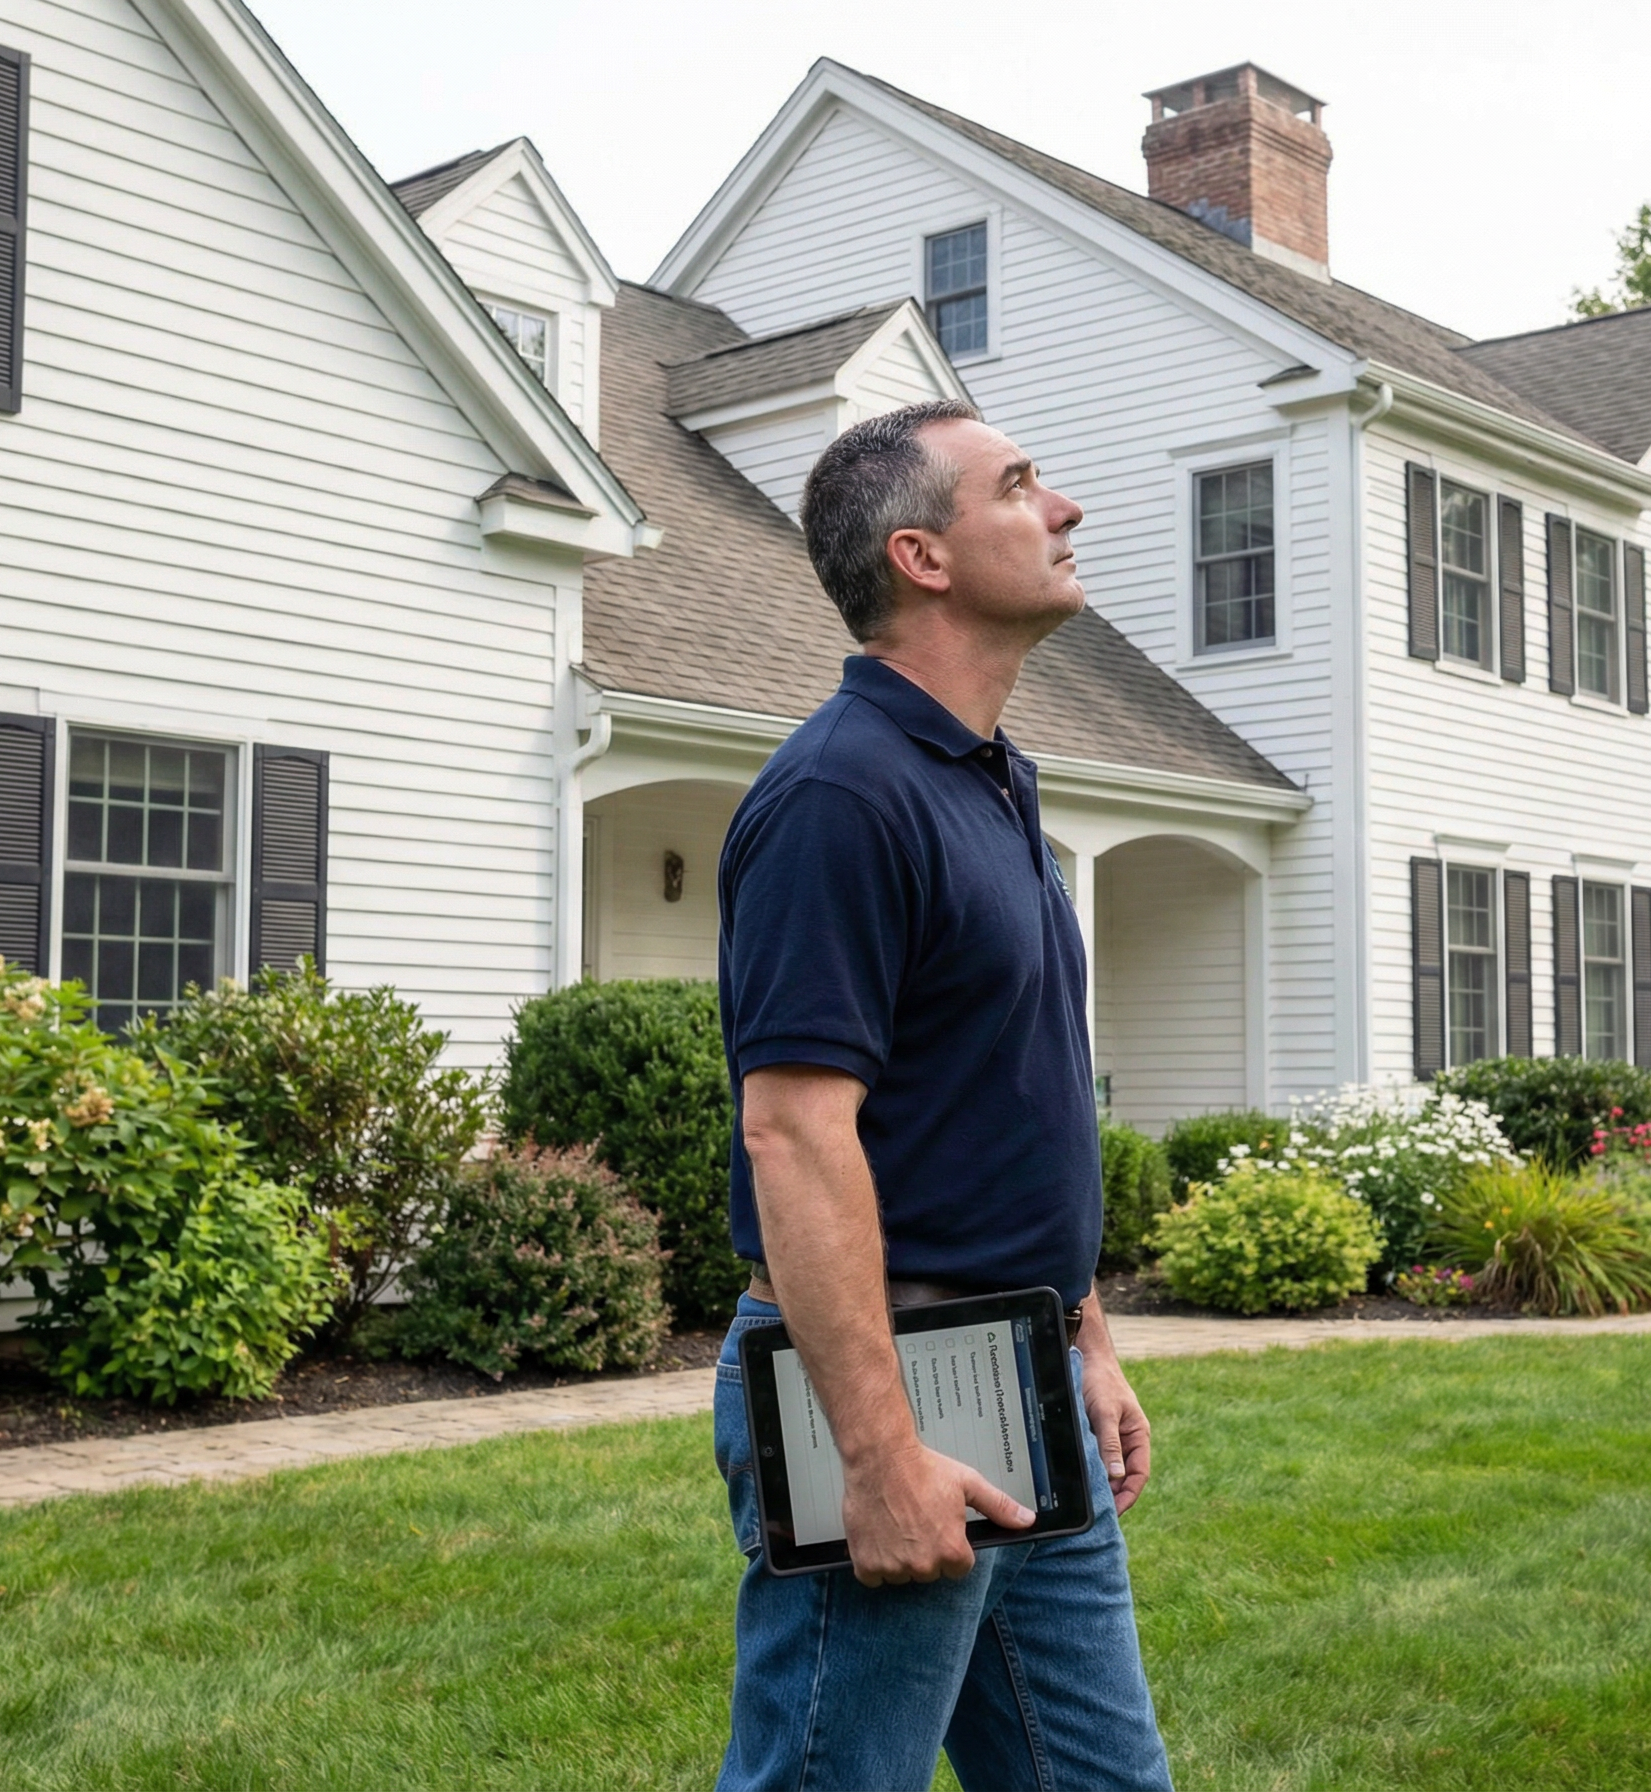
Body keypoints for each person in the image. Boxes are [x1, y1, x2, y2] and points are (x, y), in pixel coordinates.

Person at [709, 398, 1173, 1792]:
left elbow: (1003, 1098)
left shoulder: (990, 781)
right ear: (921, 556)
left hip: (1022, 1368)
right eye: (1022, 486)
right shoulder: (840, 798)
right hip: (900, 1388)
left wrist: (1086, 1336)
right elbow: (794, 1130)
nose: (1066, 507)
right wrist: (876, 1449)